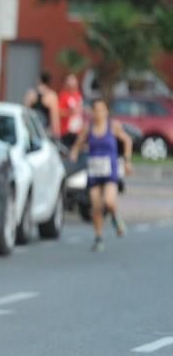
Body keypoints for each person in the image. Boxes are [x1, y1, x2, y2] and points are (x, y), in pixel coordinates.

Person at [69, 99, 133, 252]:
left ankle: (115, 218)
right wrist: (74, 153)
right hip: (94, 171)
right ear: (92, 112)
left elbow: (127, 140)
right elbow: (78, 144)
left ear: (106, 111)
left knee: (109, 202)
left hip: (110, 170)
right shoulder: (88, 128)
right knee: (96, 207)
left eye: (102, 110)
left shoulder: (113, 126)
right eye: (96, 110)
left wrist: (127, 161)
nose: (99, 113)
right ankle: (99, 238)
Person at [24, 72, 60, 138]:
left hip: (32, 131)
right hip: (45, 132)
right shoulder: (51, 96)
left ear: (39, 80)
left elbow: (25, 114)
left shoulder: (31, 94)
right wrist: (57, 136)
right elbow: (54, 119)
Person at [59, 73, 84, 147]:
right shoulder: (64, 96)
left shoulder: (78, 95)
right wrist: (70, 112)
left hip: (78, 130)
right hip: (67, 131)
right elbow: (59, 112)